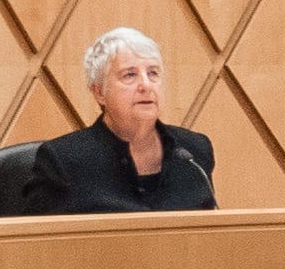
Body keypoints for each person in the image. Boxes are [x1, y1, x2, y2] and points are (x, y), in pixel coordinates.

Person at [19, 28, 216, 215]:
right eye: (129, 75)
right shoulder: (63, 161)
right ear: (99, 93)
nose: (146, 85)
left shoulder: (193, 152)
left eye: (153, 73)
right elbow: (34, 245)